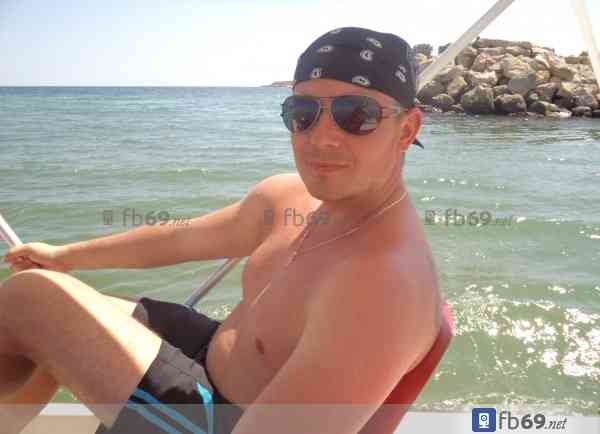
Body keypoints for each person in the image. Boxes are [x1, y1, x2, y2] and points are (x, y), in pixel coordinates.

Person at [1, 27, 442, 434]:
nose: (321, 138)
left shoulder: (384, 284)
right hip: (205, 347)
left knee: (32, 300)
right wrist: (65, 255)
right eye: (303, 112)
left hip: (226, 419)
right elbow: (183, 237)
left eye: (356, 114)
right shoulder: (289, 198)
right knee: (45, 302)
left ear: (407, 129)